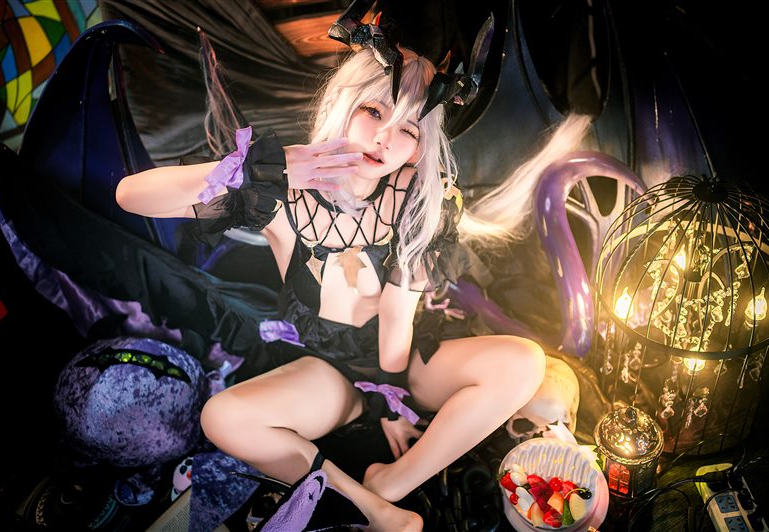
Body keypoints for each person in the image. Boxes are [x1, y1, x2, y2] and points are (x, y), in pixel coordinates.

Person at [115, 44, 589, 530]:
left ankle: (391, 484)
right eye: (373, 111)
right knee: (221, 417)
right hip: (326, 369)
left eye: (407, 129)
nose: (384, 139)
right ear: (342, 103)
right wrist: (273, 166)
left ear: (419, 146)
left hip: (405, 360)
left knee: (525, 362)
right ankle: (370, 507)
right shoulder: (282, 191)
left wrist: (391, 400)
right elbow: (131, 196)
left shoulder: (417, 195)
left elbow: (397, 314)